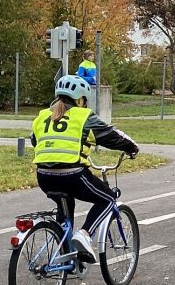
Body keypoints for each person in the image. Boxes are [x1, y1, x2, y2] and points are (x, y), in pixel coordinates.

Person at [31, 75, 139, 262]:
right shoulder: (83, 116)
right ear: (80, 99)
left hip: (44, 176)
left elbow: (35, 140)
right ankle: (85, 234)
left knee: (65, 205)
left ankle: (66, 254)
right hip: (73, 175)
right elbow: (112, 136)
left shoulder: (42, 116)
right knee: (108, 199)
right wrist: (132, 148)